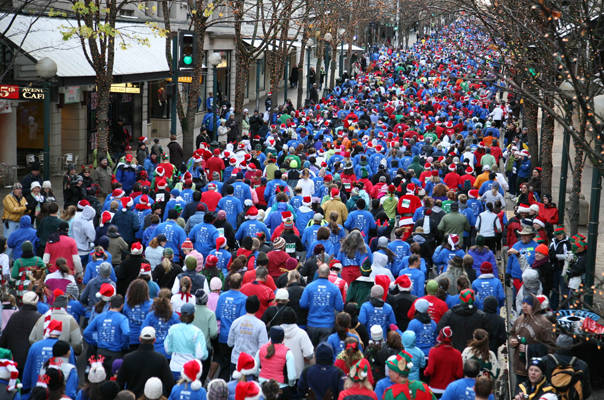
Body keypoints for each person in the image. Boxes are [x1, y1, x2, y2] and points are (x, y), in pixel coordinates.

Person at [117, 326, 174, 398]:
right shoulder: (161, 359)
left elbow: (120, 383)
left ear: (140, 339)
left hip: (133, 397)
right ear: (154, 340)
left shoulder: (128, 358)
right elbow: (169, 383)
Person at [300, 264, 344, 345]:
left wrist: (312, 305)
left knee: (312, 351)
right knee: (324, 352)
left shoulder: (309, 287)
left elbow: (303, 304)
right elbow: (339, 307)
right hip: (328, 325)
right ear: (329, 273)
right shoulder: (334, 288)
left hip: (312, 324)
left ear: (318, 272)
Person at [164, 303, 208, 380]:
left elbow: (168, 349)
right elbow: (200, 354)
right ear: (193, 315)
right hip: (191, 370)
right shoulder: (197, 332)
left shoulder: (173, 329)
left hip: (174, 368)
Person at [228, 295, 268, 374]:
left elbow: (230, 343)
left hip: (236, 360)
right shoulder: (260, 325)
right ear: (257, 307)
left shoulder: (236, 322)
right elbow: (263, 348)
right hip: (251, 364)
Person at [423, 326, 463, 397]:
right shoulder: (457, 353)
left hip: (435, 389)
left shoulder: (433, 351)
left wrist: (424, 372)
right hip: (450, 389)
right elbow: (459, 374)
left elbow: (430, 371)